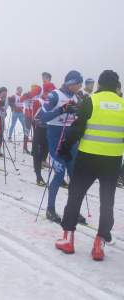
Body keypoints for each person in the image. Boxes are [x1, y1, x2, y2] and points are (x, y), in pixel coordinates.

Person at [55, 70, 124, 261]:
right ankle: (99, 244)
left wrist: (65, 148)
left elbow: (77, 128)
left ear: (100, 84)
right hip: (112, 161)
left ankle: (68, 239)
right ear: (116, 86)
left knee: (75, 195)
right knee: (107, 201)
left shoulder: (91, 101)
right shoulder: (122, 104)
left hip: (88, 158)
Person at [38, 70, 86, 224]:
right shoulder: (55, 95)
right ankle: (50, 209)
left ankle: (74, 210)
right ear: (71, 83)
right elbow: (43, 117)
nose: (80, 87)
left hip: (70, 139)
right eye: (78, 84)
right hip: (55, 137)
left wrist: (79, 112)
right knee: (59, 174)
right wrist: (62, 109)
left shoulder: (76, 96)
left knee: (75, 176)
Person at [0, 87, 8, 156]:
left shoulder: (7, 99)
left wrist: (5, 111)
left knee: (1, 134)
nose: (5, 95)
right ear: (0, 93)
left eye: (6, 93)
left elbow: (6, 108)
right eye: (3, 93)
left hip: (2, 118)